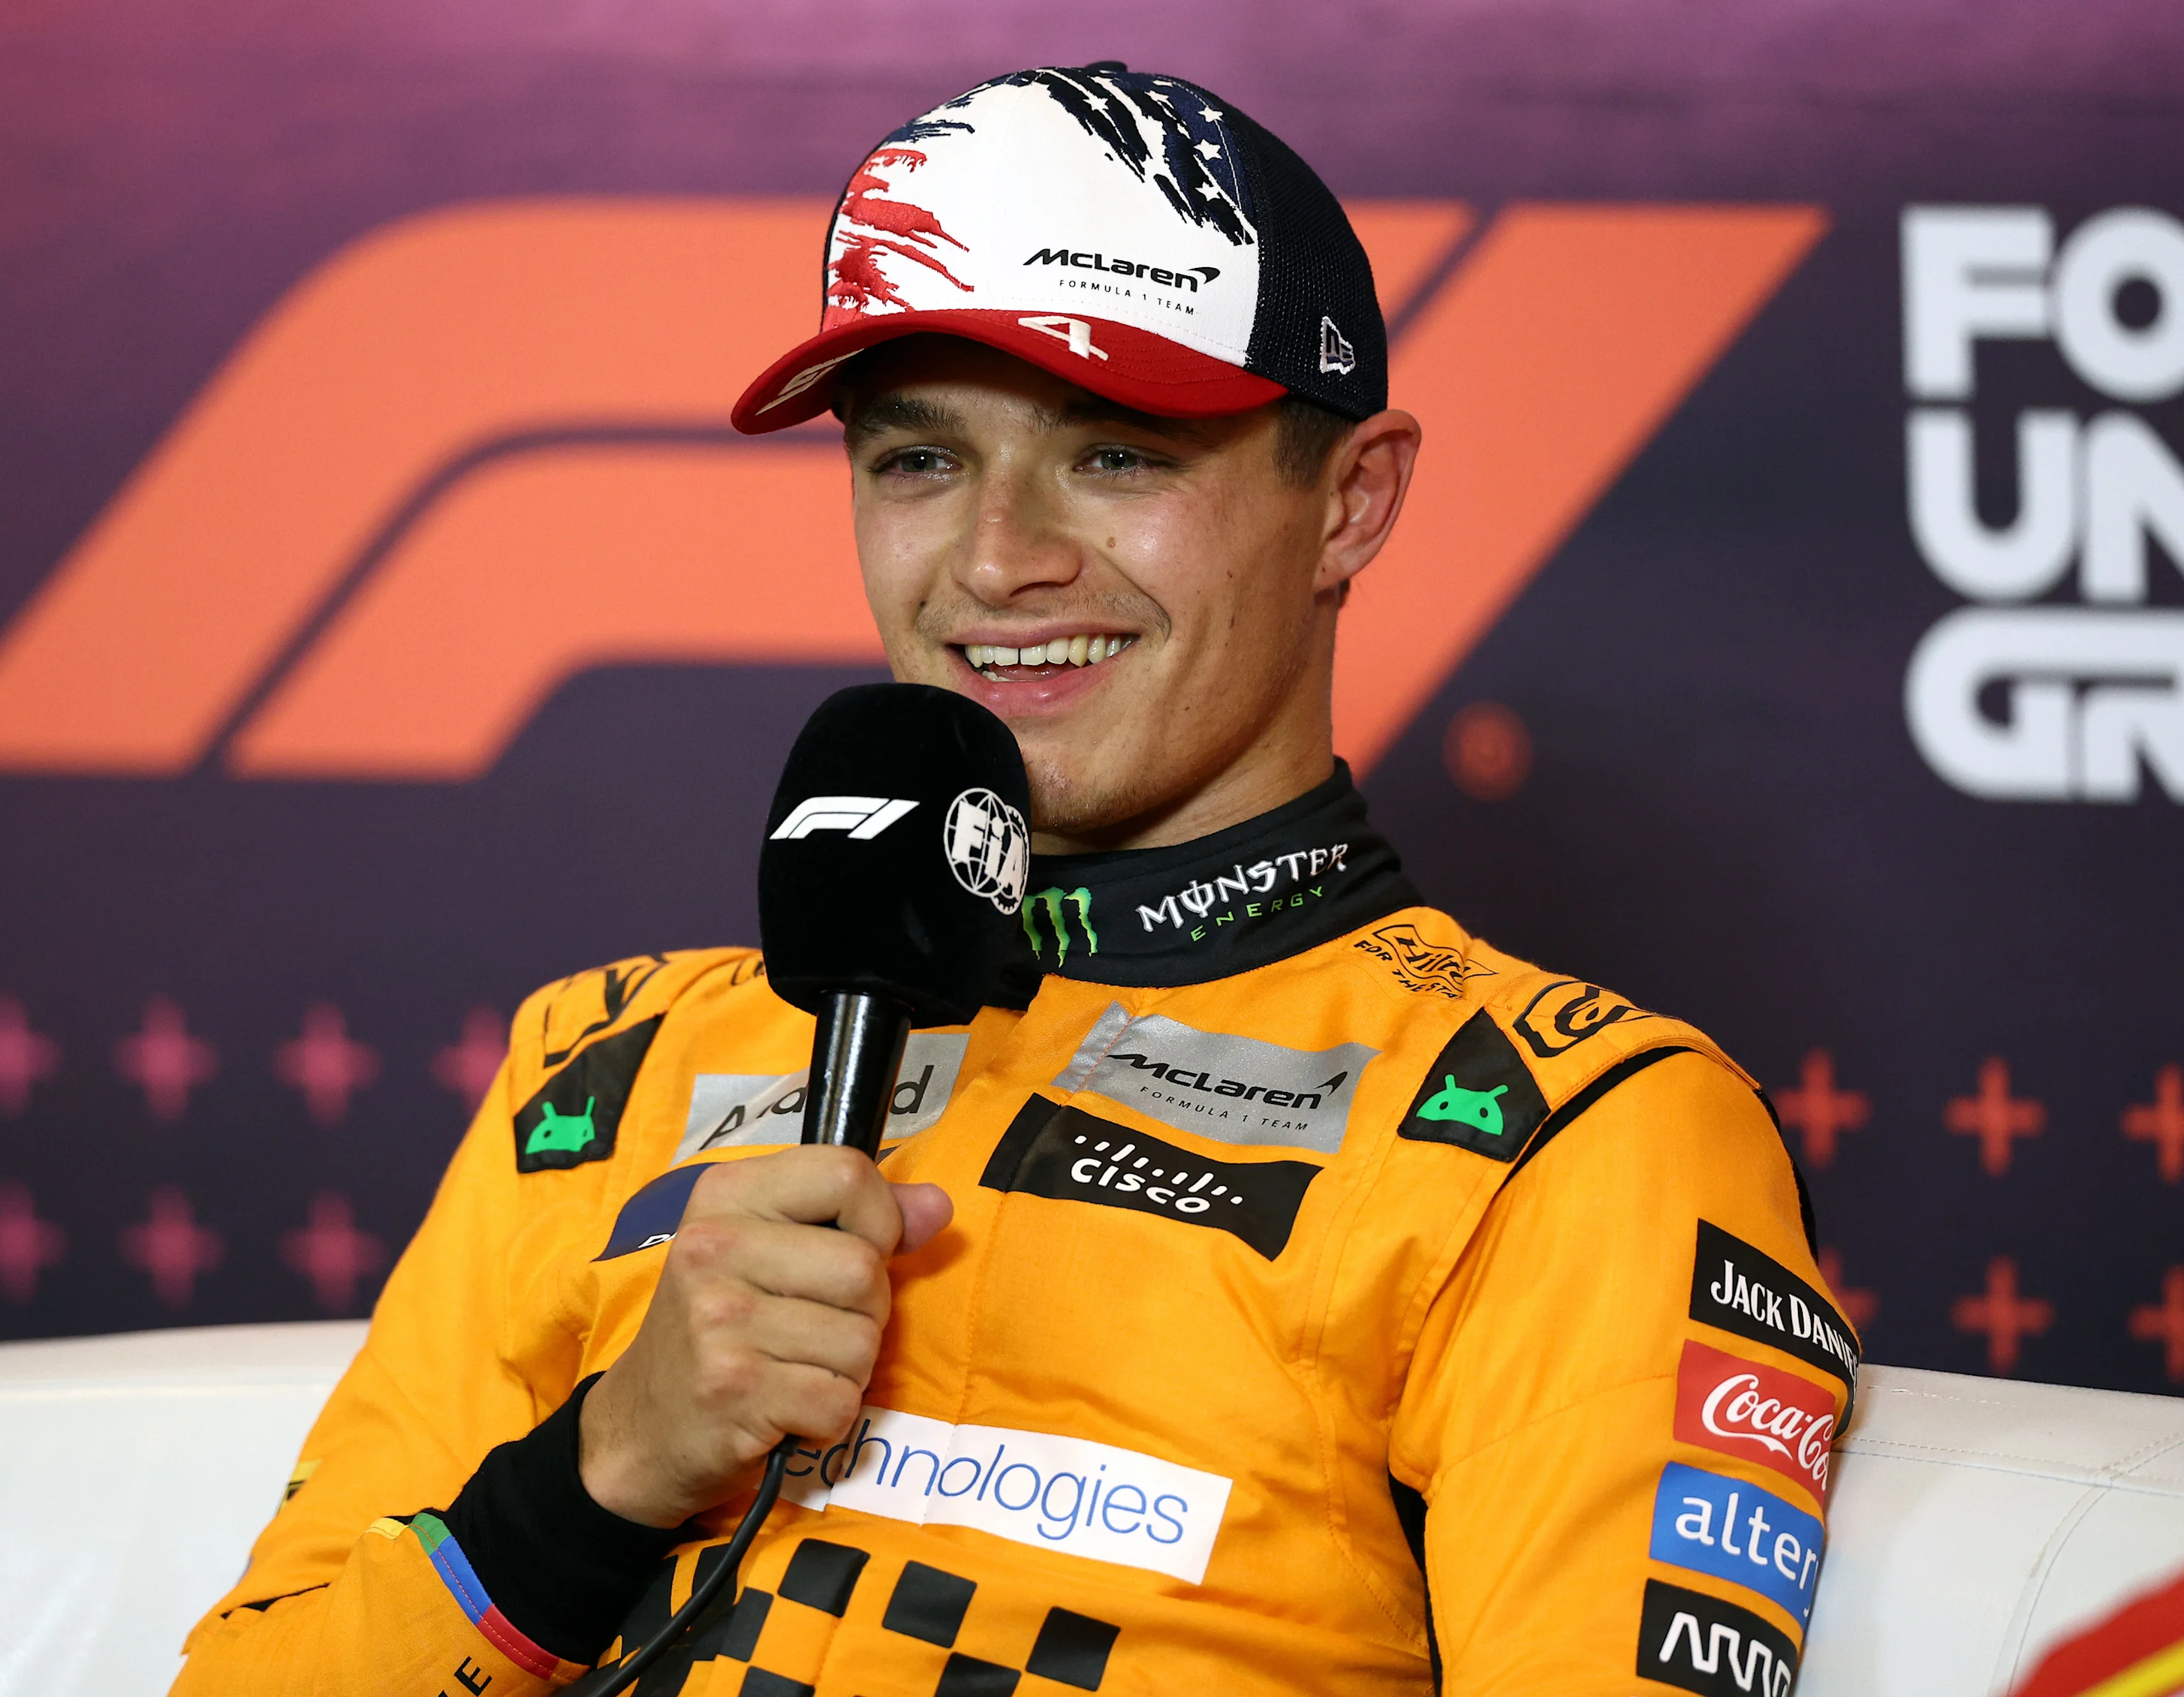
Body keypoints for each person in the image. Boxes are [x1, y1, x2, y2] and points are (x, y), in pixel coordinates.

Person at [170, 63, 1853, 1697]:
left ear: (1351, 500)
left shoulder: (1574, 1138)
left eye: (1115, 453)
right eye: (919, 461)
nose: (996, 561)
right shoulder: (602, 1069)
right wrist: (604, 1465)